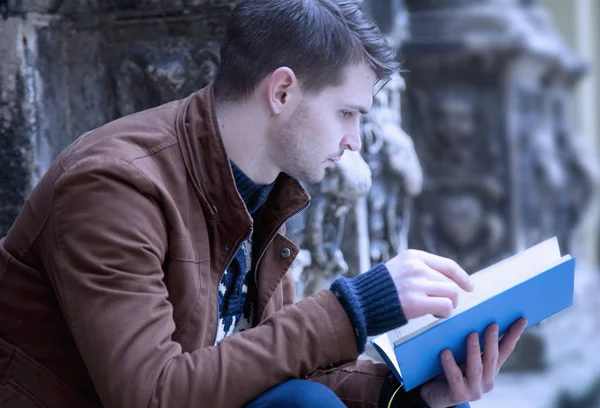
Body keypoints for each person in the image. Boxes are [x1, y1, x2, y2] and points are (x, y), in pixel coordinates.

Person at [0, 1, 527, 407]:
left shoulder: (260, 190)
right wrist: (354, 309)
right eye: (347, 113)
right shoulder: (115, 184)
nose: (356, 142)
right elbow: (155, 395)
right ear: (281, 92)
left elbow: (262, 370)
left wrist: (411, 389)